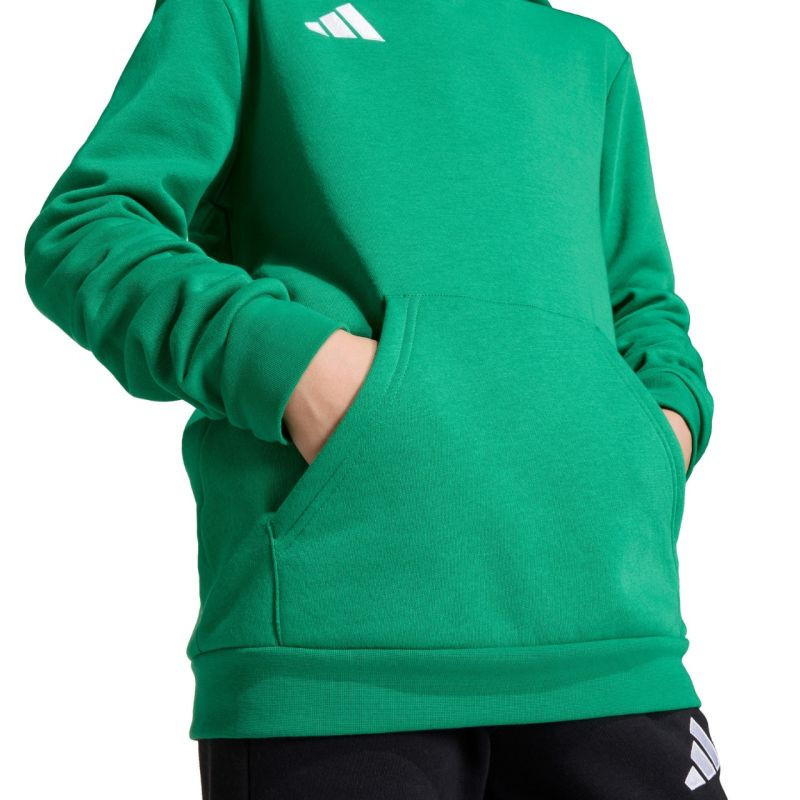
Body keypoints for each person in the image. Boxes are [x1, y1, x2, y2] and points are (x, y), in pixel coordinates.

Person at [24, 0, 728, 797]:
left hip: (617, 640)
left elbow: (642, 304)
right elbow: (88, 231)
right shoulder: (248, 9)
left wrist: (660, 434)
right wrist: (301, 369)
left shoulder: (588, 53)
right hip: (338, 655)